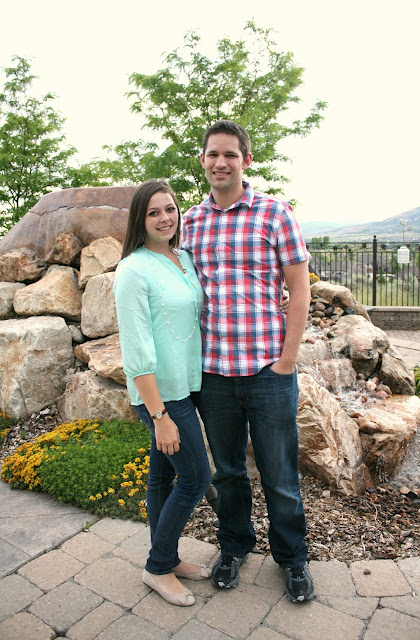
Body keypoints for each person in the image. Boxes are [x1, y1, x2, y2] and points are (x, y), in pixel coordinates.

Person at [182, 120, 315, 602]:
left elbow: (299, 290)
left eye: (230, 155)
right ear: (203, 160)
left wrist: (287, 362)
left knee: (280, 475)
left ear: (246, 160)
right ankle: (234, 546)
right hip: (213, 373)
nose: (221, 163)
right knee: (229, 472)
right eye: (213, 154)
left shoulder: (275, 214)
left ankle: (292, 558)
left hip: (267, 372)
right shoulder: (190, 222)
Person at [113, 179, 212, 607]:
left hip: (185, 385)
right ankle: (156, 567)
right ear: (140, 219)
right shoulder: (133, 270)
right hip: (161, 396)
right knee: (196, 478)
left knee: (162, 478)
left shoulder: (182, 258)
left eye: (169, 209)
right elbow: (136, 351)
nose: (164, 218)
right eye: (153, 212)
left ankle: (167, 557)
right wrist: (159, 416)